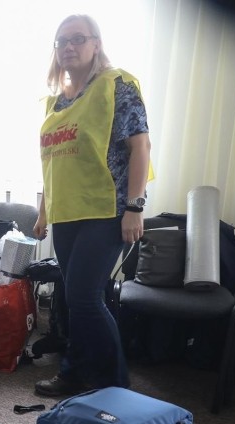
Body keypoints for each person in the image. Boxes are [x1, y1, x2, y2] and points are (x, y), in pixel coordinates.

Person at [33, 14, 152, 397]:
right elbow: (53, 163)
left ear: (96, 44)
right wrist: (43, 211)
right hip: (67, 213)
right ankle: (73, 371)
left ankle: (116, 387)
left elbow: (140, 147)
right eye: (61, 41)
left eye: (77, 39)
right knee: (74, 298)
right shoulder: (56, 103)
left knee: (84, 297)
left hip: (106, 209)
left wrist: (135, 206)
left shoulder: (117, 85)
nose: (68, 46)